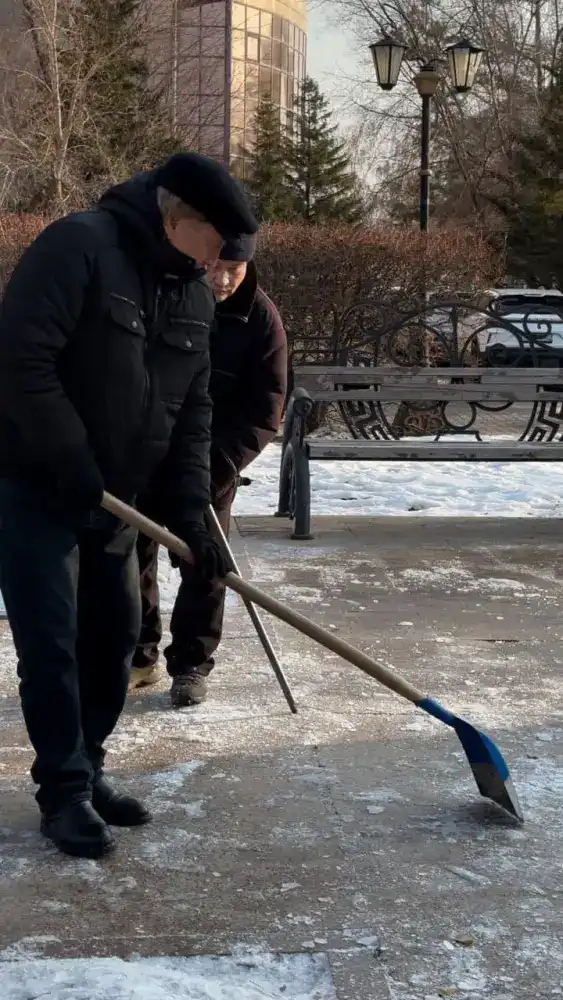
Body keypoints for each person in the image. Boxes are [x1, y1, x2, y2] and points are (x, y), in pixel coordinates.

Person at [0, 153, 257, 859]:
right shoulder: (77, 246)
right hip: (36, 490)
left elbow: (192, 412)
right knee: (51, 647)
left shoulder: (195, 296)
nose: (222, 263)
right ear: (181, 219)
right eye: (218, 244)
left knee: (110, 640)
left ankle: (90, 766)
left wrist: (192, 512)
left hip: (116, 504)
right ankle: (63, 791)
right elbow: (21, 362)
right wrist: (69, 460)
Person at [130, 232, 287, 706]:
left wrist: (216, 468)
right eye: (214, 266)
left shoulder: (260, 320)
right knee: (132, 554)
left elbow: (265, 410)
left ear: (247, 269)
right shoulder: (168, 295)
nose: (221, 280)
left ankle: (191, 663)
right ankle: (140, 656)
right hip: (147, 451)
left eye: (232, 271)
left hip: (212, 460)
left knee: (206, 563)